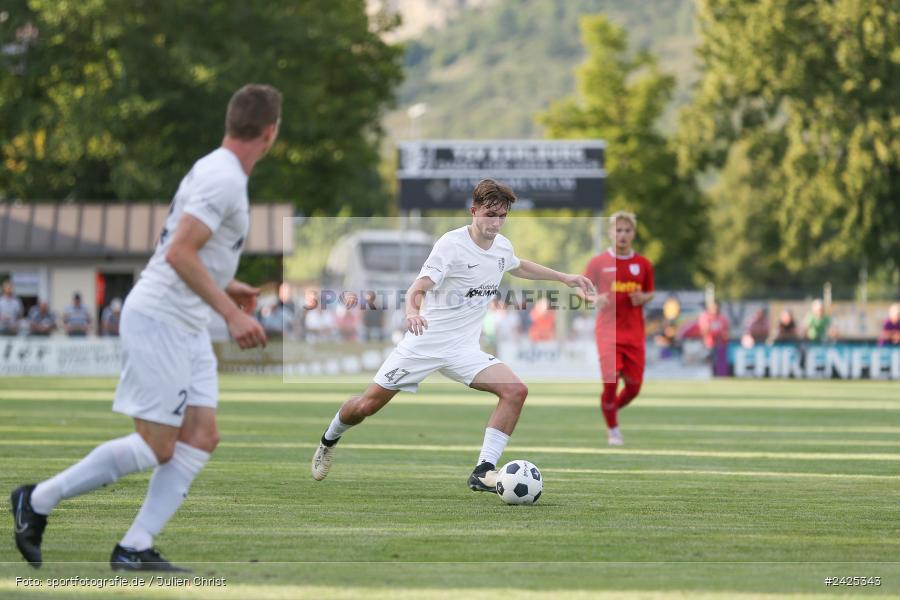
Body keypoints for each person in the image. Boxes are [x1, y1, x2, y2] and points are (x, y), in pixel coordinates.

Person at [11, 84, 280, 572]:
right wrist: (231, 312)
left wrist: (227, 284)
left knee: (201, 436)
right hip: (162, 318)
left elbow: (183, 249)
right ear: (270, 132)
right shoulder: (223, 177)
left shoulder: (215, 168)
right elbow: (178, 253)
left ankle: (134, 546)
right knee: (158, 445)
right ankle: (37, 499)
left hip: (185, 322)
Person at [310, 179, 594, 492]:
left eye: (502, 216)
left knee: (516, 391)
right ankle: (329, 439)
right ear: (474, 211)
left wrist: (564, 278)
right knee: (366, 406)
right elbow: (418, 287)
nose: (496, 222)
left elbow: (517, 266)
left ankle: (483, 470)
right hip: (425, 342)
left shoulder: (502, 246)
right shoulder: (451, 245)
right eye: (490, 215)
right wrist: (412, 312)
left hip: (463, 350)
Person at [582, 212, 654, 446]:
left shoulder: (643, 264)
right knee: (611, 382)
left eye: (627, 230)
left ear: (633, 233)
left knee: (634, 388)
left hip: (634, 335)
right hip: (607, 333)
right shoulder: (598, 262)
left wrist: (643, 297)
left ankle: (608, 408)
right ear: (610, 233)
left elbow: (650, 292)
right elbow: (580, 289)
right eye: (618, 230)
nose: (622, 234)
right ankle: (613, 430)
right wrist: (594, 299)